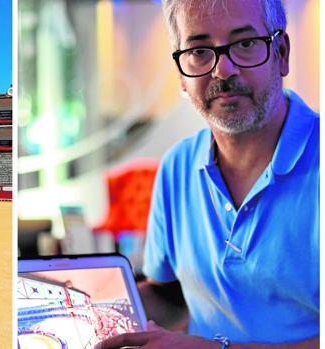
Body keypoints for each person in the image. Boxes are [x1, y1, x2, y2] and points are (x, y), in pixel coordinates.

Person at [96, 0, 319, 348]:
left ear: (282, 53)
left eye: (245, 44)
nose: (222, 70)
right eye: (199, 51)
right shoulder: (177, 167)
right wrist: (90, 309)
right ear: (181, 76)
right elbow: (171, 297)